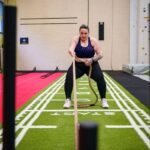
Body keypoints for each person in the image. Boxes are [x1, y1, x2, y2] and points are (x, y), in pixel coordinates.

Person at [63, 24, 109, 109]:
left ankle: (103, 99)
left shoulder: (93, 41)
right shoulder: (75, 39)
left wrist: (92, 60)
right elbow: (71, 48)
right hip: (78, 65)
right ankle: (68, 100)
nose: (83, 35)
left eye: (85, 33)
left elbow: (101, 54)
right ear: (79, 33)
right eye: (81, 33)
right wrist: (71, 51)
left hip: (92, 64)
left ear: (88, 33)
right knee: (69, 77)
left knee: (100, 78)